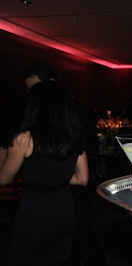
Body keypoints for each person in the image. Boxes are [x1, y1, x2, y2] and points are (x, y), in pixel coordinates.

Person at [0, 81, 89, 265]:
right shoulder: (73, 137)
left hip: (34, 212)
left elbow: (3, 179)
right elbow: (82, 179)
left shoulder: (23, 140)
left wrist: (2, 153)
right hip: (64, 211)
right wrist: (57, 178)